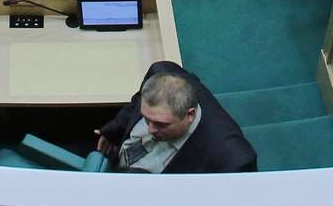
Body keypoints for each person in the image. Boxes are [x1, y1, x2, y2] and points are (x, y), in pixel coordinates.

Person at [96, 62, 257, 174]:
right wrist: (114, 130)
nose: (150, 129)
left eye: (161, 124)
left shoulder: (233, 158)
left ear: (190, 115)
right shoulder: (161, 71)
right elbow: (137, 101)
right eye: (146, 119)